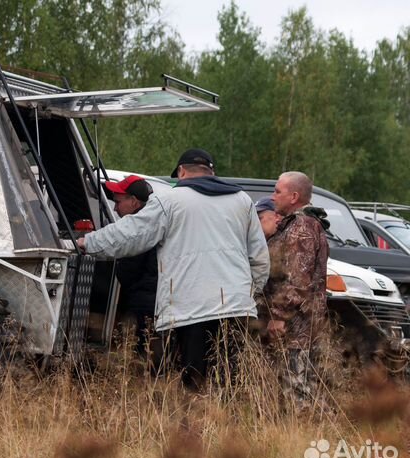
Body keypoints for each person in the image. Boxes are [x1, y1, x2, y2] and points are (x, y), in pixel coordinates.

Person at [78, 149, 270, 390]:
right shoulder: (242, 200)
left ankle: (199, 426)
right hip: (237, 308)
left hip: (191, 310)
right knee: (229, 381)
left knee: (195, 382)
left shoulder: (170, 200)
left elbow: (130, 235)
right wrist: (248, 295)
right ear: (211, 172)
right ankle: (226, 424)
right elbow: (260, 257)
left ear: (181, 171)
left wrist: (87, 243)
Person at [264, 171, 330, 410]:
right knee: (304, 387)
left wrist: (279, 316)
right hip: (303, 323)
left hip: (297, 326)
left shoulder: (301, 227)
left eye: (277, 191)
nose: (273, 197)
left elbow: (297, 280)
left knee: (297, 391)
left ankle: (301, 438)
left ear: (294, 196)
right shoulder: (301, 225)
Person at [103, 175, 158, 358]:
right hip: (157, 301)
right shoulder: (154, 223)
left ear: (134, 202)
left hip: (146, 303)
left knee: (146, 357)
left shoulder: (137, 230)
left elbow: (128, 273)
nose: (115, 208)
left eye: (118, 201)